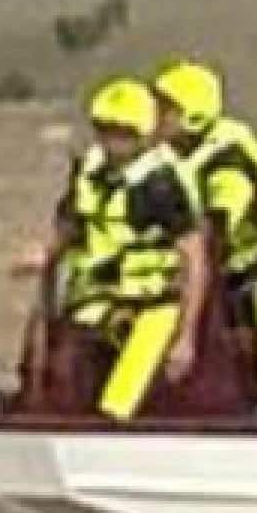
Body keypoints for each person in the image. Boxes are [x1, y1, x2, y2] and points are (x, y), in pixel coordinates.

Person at [40, 77, 212, 419]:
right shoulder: (90, 170)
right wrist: (45, 256)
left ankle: (116, 434)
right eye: (104, 130)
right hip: (97, 298)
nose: (111, 141)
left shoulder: (162, 185)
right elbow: (69, 226)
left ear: (144, 135)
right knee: (67, 386)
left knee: (120, 400)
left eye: (122, 132)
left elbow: (194, 258)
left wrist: (185, 337)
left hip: (153, 306)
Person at [151, 59, 257, 396]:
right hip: (185, 280)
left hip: (238, 285)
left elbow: (218, 226)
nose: (157, 117)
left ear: (191, 113)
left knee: (250, 365)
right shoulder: (165, 156)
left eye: (166, 108)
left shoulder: (229, 161)